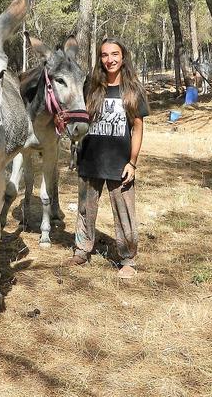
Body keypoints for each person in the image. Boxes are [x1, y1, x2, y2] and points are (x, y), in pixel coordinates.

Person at [62, 38, 148, 279]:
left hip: (120, 163)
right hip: (90, 158)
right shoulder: (90, 86)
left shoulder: (133, 90)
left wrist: (132, 163)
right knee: (84, 210)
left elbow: (138, 128)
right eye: (104, 55)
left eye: (115, 54)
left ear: (123, 57)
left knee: (125, 213)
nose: (110, 59)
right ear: (99, 59)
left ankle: (128, 259)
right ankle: (82, 250)